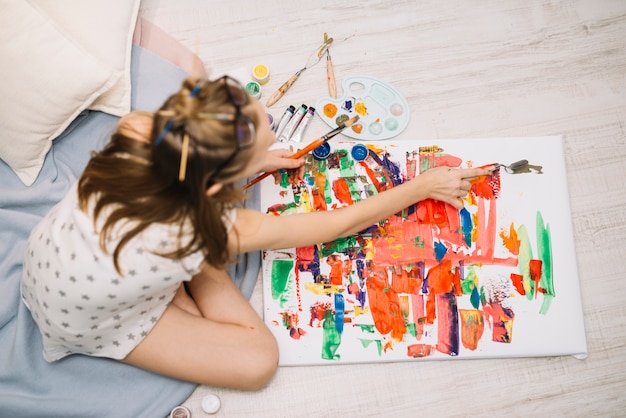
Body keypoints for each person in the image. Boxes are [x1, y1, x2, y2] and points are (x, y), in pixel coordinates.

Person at [21, 76, 492, 391]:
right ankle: (182, 281)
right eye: (258, 150)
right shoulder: (217, 228)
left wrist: (249, 160)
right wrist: (420, 186)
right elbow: (336, 225)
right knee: (260, 362)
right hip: (84, 322)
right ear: (214, 184)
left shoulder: (137, 130)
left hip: (50, 261)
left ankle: (175, 280)